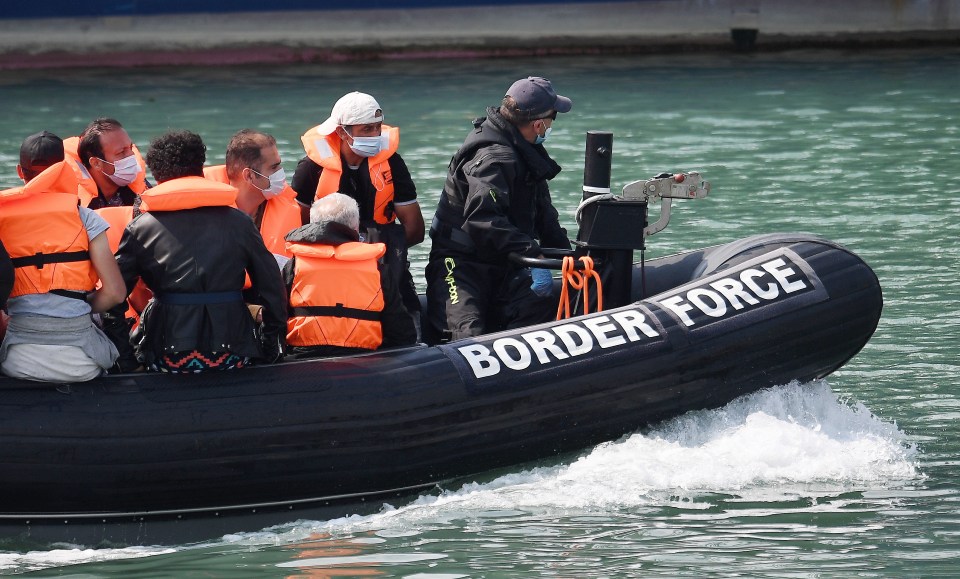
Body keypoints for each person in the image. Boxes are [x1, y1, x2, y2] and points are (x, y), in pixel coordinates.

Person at [113, 130, 287, 372]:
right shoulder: (240, 222)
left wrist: (126, 360)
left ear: (155, 175)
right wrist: (270, 348)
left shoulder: (140, 228)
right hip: (232, 353)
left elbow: (114, 298)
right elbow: (273, 290)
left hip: (166, 356)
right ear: (200, 167)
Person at [424, 76, 574, 344]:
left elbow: (544, 217)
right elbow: (483, 218)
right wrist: (532, 252)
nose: (552, 126)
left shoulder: (525, 154)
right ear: (538, 124)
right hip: (459, 266)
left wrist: (572, 258)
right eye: (553, 119)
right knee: (467, 337)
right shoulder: (493, 158)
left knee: (540, 308)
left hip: (504, 265)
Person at [0, 131, 126, 382]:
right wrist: (77, 307)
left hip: (16, 361)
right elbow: (115, 293)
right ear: (63, 169)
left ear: (19, 171)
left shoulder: (2, 219)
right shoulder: (85, 217)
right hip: (81, 363)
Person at [292, 91, 424, 327]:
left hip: (382, 261)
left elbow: (414, 230)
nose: (375, 135)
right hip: (328, 267)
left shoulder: (393, 164)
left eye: (377, 127)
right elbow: (298, 230)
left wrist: (373, 250)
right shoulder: (311, 169)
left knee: (408, 314)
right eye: (366, 129)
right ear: (342, 132)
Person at [283, 193, 417, 358]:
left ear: (312, 225)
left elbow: (276, 319)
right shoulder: (378, 270)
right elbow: (402, 333)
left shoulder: (294, 266)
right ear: (356, 228)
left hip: (303, 362)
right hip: (364, 362)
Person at [204, 129, 301, 260]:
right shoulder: (204, 215)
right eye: (274, 167)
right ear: (249, 175)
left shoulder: (288, 206)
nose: (281, 172)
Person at [70, 117, 149, 209]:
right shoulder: (75, 204)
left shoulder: (141, 189)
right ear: (96, 163)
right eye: (121, 152)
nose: (131, 155)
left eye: (130, 148)